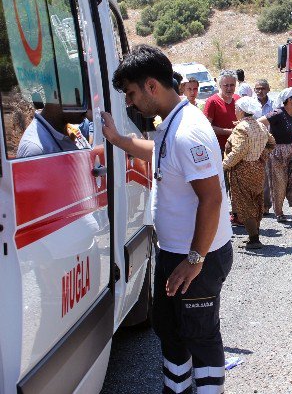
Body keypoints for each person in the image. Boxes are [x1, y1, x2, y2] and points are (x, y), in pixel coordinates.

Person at [101, 44, 233, 394]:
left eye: (131, 93)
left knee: (200, 336)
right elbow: (157, 151)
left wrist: (194, 260)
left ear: (151, 86)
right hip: (179, 252)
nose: (129, 102)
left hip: (198, 256)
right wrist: (117, 140)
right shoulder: (172, 125)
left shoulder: (188, 131)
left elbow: (212, 199)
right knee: (171, 330)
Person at [223, 96, 276, 248]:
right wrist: (261, 156)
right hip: (257, 167)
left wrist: (224, 165)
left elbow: (239, 151)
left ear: (241, 111)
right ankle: (254, 235)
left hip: (243, 169)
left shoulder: (241, 128)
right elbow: (271, 142)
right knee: (256, 201)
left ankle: (254, 239)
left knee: (244, 204)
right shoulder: (259, 126)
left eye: (236, 109)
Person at [258, 87, 292, 223]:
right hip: (276, 153)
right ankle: (279, 212)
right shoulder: (277, 113)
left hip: (291, 152)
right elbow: (260, 122)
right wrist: (268, 141)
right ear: (289, 100)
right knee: (278, 183)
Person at [205, 70, 242, 225]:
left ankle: (238, 214)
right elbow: (206, 126)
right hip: (219, 149)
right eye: (226, 85)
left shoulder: (239, 100)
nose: (229, 88)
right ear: (219, 85)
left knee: (238, 183)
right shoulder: (212, 101)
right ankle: (220, 216)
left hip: (238, 149)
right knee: (222, 183)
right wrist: (229, 131)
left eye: (232, 85)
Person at [255, 78, 275, 214]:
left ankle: (266, 206)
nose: (260, 91)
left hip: (268, 144)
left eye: (262, 88)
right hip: (253, 144)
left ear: (268, 89)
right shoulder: (251, 105)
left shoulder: (274, 105)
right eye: (257, 88)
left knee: (267, 176)